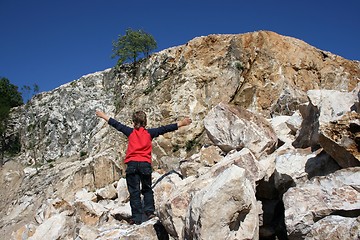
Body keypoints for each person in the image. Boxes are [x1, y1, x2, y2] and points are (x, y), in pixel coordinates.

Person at [96, 110, 192, 225]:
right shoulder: (150, 133)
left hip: (132, 165)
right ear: (145, 122)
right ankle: (149, 212)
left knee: (134, 192)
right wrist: (182, 122)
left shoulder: (129, 132)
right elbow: (165, 128)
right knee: (147, 189)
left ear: (133, 122)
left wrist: (103, 115)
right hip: (145, 165)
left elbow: (116, 124)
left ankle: (136, 218)